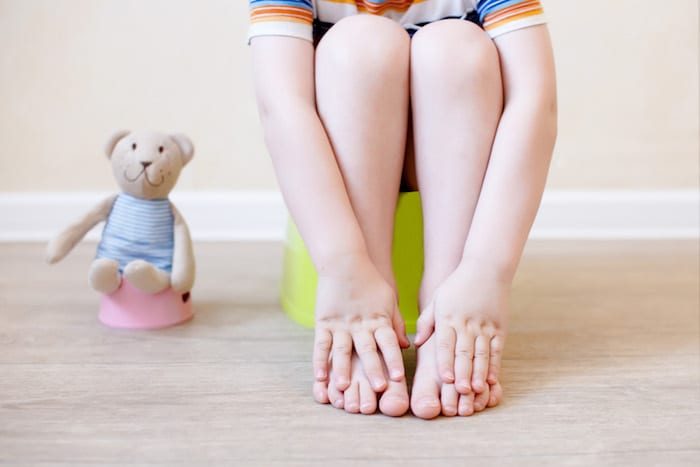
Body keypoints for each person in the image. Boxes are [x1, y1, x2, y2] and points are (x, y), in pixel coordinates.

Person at [248, 0, 557, 419]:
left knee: (457, 45)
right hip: (343, 168)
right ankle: (365, 302)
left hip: (455, 159)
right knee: (361, 42)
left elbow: (535, 103)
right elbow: (282, 107)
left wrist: (486, 270)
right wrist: (344, 265)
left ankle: (448, 302)